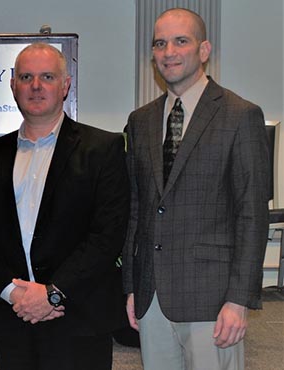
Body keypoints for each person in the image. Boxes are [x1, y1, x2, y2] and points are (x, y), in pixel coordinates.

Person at [0, 43, 130, 370]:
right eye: (26, 77)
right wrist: (13, 292)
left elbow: (107, 235)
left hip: (78, 319)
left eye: (47, 77)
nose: (36, 86)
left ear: (65, 85)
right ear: (13, 85)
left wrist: (53, 293)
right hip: (14, 320)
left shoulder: (103, 149)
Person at [123, 8, 270, 370]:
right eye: (159, 43)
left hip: (214, 298)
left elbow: (251, 214)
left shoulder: (240, 115)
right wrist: (130, 286)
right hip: (151, 294)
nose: (168, 51)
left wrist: (239, 300)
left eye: (180, 41)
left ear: (203, 50)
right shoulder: (140, 121)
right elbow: (137, 208)